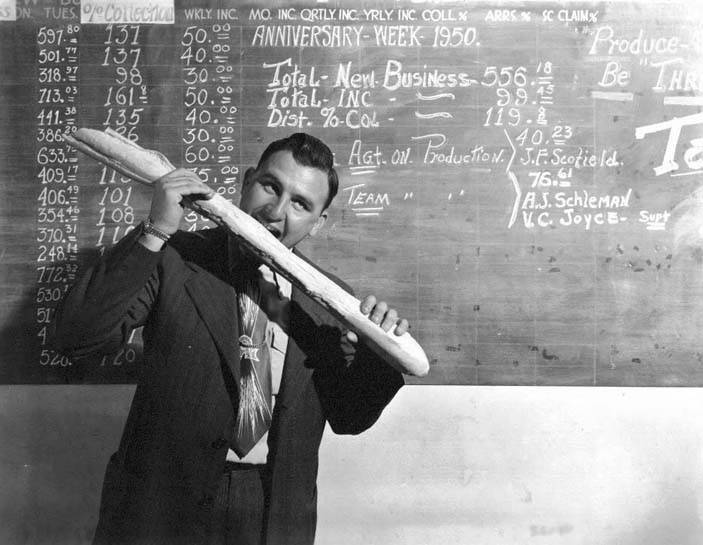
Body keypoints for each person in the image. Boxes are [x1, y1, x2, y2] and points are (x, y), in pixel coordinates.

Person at [54, 133, 407, 545]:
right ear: (245, 182)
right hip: (160, 507)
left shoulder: (329, 302)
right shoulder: (174, 256)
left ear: (318, 223)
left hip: (271, 513)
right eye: (270, 186)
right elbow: (76, 337)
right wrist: (156, 228)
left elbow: (350, 419)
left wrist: (379, 354)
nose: (276, 212)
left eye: (301, 203)